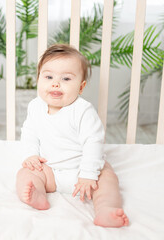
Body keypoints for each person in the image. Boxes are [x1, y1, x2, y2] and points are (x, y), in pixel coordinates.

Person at [16, 44, 129, 228]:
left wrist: (88, 174)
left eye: (66, 78)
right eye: (48, 76)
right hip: (50, 170)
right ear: (38, 79)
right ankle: (37, 194)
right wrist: (30, 156)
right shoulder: (35, 106)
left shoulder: (83, 111)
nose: (55, 83)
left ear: (81, 87)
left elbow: (94, 143)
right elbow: (29, 132)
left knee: (107, 179)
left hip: (82, 172)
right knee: (25, 173)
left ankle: (106, 209)